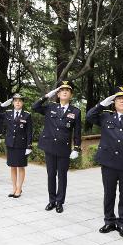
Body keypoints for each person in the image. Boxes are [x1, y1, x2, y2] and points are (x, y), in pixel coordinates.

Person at [86, 85, 123, 238]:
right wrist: (101, 104)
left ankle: (122, 223)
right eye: (118, 98)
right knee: (109, 193)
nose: (121, 101)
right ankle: (109, 221)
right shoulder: (106, 116)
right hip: (108, 163)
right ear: (113, 102)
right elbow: (89, 116)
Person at [32, 80, 82, 213]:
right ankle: (51, 200)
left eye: (68, 90)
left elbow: (77, 132)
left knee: (62, 176)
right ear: (58, 94)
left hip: (63, 148)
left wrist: (76, 147)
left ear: (71, 95)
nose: (65, 92)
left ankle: (60, 202)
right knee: (51, 175)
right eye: (61, 90)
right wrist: (47, 95)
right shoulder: (50, 107)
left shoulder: (75, 111)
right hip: (49, 146)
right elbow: (34, 107)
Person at [0, 93, 33, 198]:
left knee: (21, 167)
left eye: (20, 100)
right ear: (12, 103)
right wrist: (3, 105)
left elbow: (29, 132)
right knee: (12, 166)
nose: (17, 102)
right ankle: (14, 188)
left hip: (21, 145)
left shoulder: (27, 115)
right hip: (10, 144)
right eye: (15, 100)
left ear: (22, 103)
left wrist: (29, 146)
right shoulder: (7, 113)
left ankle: (19, 188)